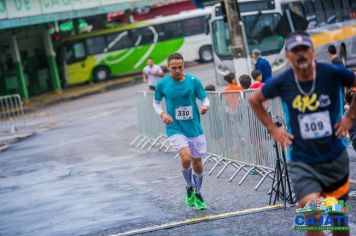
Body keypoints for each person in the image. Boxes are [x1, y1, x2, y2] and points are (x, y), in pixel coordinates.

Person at [248, 32, 356, 236]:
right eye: (294, 51)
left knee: (339, 224)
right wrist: (273, 128)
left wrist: (349, 117)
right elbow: (254, 100)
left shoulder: (330, 73)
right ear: (288, 56)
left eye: (304, 49)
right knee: (312, 214)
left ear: (312, 51)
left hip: (334, 156)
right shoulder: (283, 81)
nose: (301, 55)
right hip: (302, 159)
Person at [153, 53, 210, 210]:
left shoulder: (193, 81)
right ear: (168, 67)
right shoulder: (163, 84)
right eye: (174, 68)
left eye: (180, 67)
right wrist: (162, 114)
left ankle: (197, 193)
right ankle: (189, 186)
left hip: (194, 128)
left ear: (183, 66)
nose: (177, 70)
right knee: (186, 158)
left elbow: (204, 98)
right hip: (175, 128)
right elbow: (156, 103)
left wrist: (205, 106)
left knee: (197, 164)